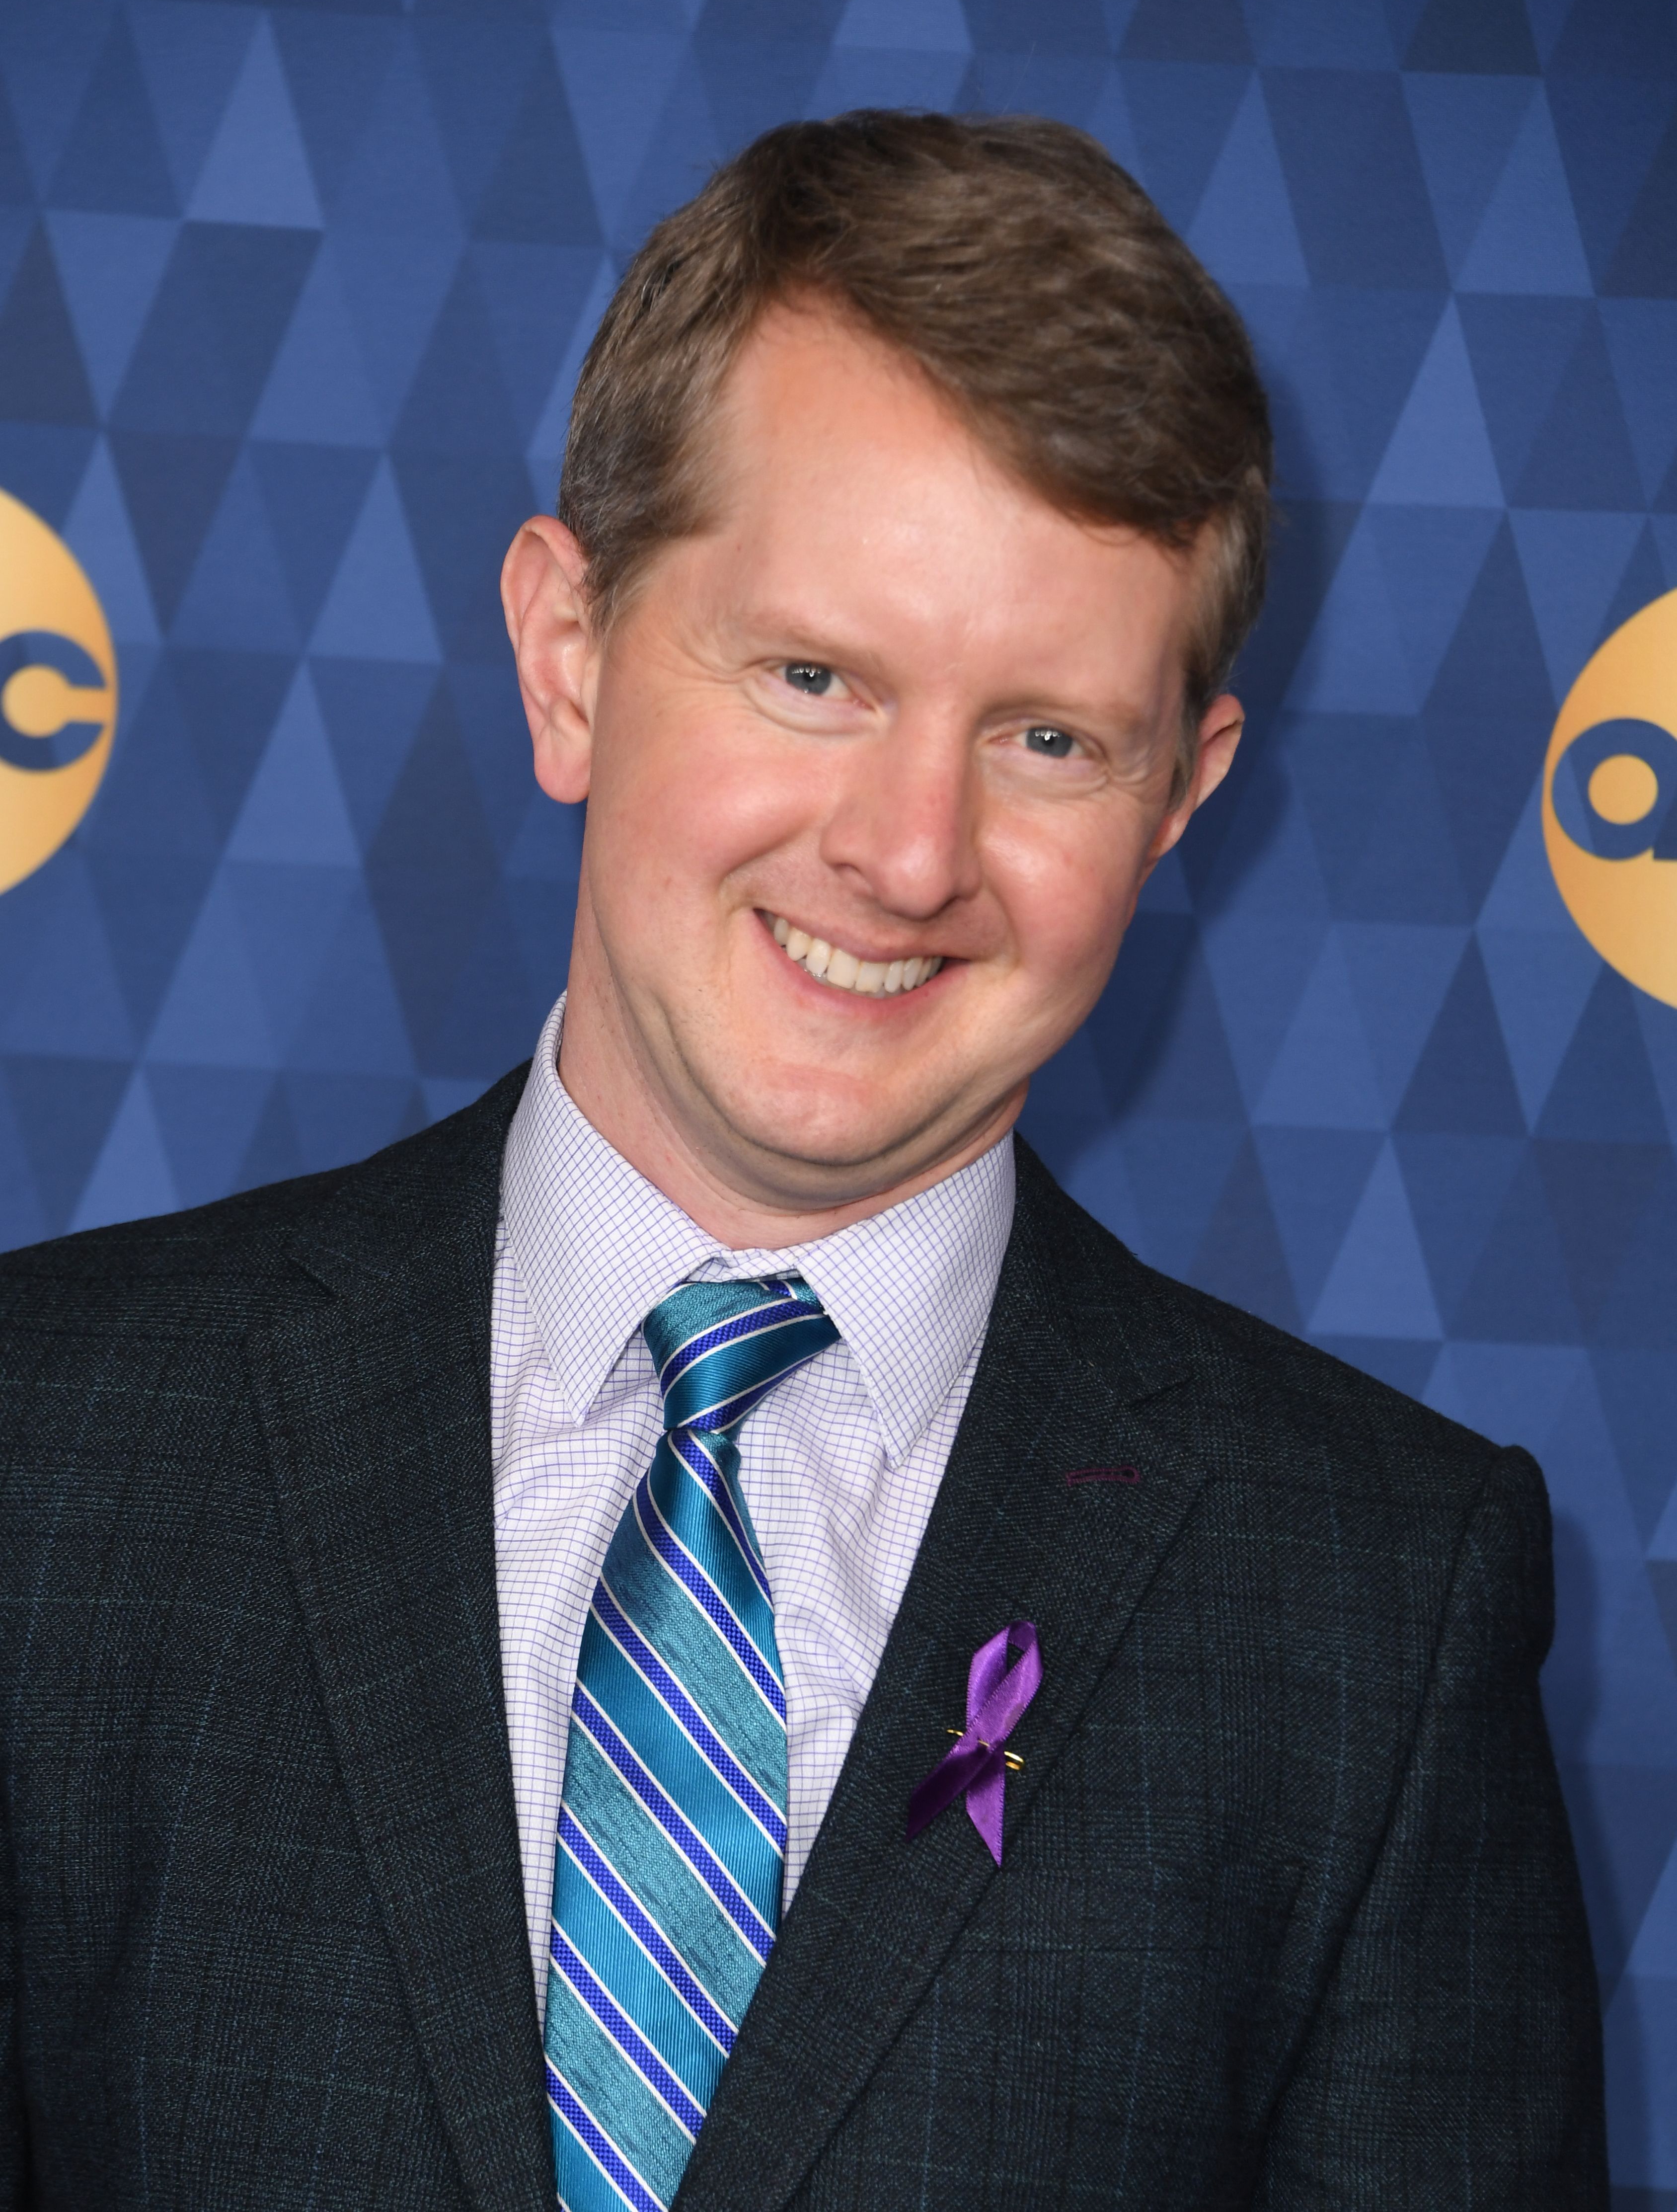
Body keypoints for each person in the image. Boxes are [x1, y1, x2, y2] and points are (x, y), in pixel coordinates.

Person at [0, 112, 1604, 2211]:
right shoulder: (52, 1448)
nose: (909, 853)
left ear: (1182, 794)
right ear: (568, 656)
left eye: (1046, 736)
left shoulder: (1367, 1613)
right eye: (813, 676)